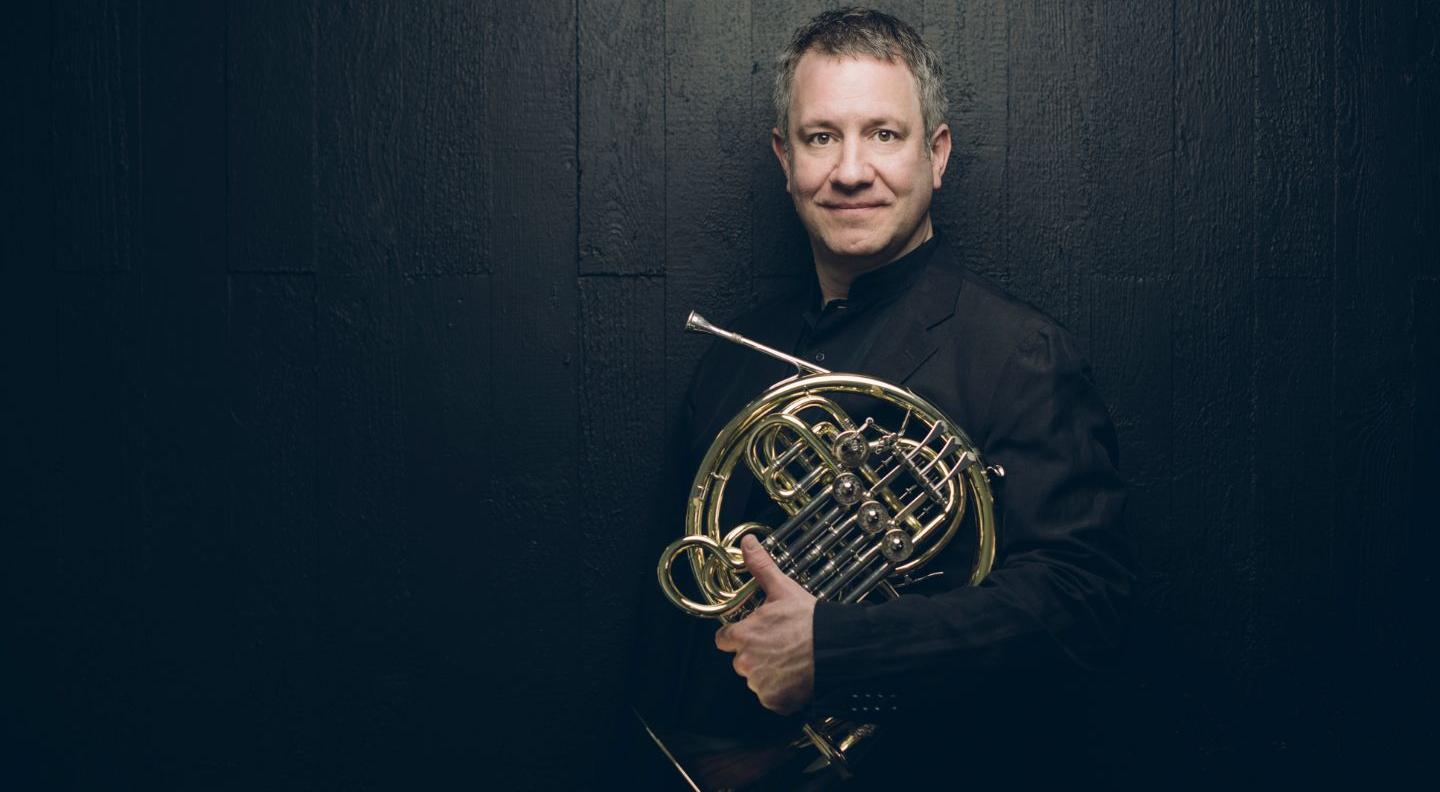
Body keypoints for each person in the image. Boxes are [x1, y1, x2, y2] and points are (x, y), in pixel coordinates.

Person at [635, 8, 1135, 787]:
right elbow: (675, 606)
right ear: (785, 158)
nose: (851, 170)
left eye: (885, 135)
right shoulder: (730, 363)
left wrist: (831, 646)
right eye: (821, 136)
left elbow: (1082, 605)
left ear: (936, 156)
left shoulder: (1020, 356)